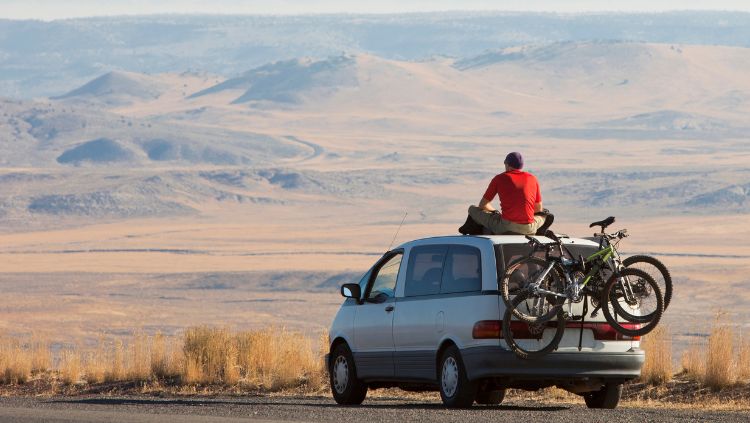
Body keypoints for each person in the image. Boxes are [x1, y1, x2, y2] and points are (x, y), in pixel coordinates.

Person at [468, 152, 546, 235]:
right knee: (544, 214)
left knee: (472, 209)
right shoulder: (532, 178)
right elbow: (538, 209)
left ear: (507, 164)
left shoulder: (499, 178)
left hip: (506, 227)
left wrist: (495, 212)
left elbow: (483, 204)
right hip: (529, 228)